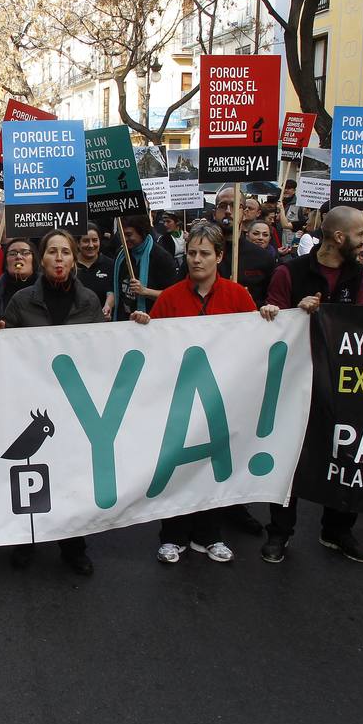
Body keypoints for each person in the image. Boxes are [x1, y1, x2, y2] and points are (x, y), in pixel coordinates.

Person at [0, 229, 104, 575]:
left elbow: (102, 350)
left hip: (73, 403)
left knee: (72, 475)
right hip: (33, 403)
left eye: (66, 251)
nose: (59, 258)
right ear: (43, 258)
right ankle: (28, 537)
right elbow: (5, 349)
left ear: (74, 258)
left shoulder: (89, 302)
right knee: (32, 472)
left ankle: (73, 545)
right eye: (52, 251)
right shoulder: (23, 301)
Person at [258, 206, 363, 565]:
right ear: (340, 237)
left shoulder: (357, 274)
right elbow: (270, 324)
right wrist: (295, 313)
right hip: (296, 383)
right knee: (291, 458)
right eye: (361, 234)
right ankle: (280, 532)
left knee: (345, 456)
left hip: (342, 383)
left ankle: (337, 529)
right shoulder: (289, 272)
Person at [143, 223, 260, 567]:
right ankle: (173, 535)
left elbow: (255, 340)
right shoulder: (170, 297)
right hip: (179, 398)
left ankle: (209, 534)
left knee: (213, 467)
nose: (196, 259)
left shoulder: (238, 296)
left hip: (221, 398)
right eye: (192, 253)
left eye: (204, 253)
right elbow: (151, 344)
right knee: (177, 467)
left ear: (219, 257)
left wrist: (267, 317)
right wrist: (141, 326)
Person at [213, 190, 276, 306]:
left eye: (235, 205)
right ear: (214, 213)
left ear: (244, 212)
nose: (228, 211)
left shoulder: (262, 257)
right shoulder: (202, 255)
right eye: (222, 206)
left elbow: (273, 299)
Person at [112, 214, 176, 320]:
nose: (124, 239)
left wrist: (145, 291)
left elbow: (173, 295)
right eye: (121, 234)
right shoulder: (121, 255)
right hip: (124, 322)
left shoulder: (161, 257)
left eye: (128, 235)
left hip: (151, 323)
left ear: (142, 232)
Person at [74, 225, 115, 319]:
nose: (91, 245)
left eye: (95, 240)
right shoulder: (69, 265)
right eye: (86, 241)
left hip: (101, 322)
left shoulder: (110, 264)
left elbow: (111, 291)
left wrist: (108, 306)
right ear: (77, 243)